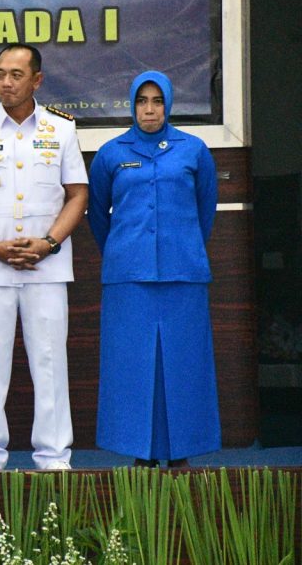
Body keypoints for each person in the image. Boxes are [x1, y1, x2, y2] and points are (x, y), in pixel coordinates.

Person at [0, 43, 87, 472]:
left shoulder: (61, 129)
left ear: (37, 80)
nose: (5, 83)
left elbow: (78, 195)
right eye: (0, 74)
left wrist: (49, 242)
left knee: (49, 362)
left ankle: (54, 455)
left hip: (47, 266)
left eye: (16, 75)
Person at [88, 70, 220, 467]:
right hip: (129, 279)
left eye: (157, 101)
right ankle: (140, 454)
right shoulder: (111, 153)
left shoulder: (194, 150)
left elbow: (205, 211)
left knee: (184, 365)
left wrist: (181, 246)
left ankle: (180, 453)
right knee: (132, 367)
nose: (150, 109)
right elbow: (98, 216)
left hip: (183, 275)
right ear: (132, 105)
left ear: (168, 105)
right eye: (142, 101)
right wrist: (127, 252)